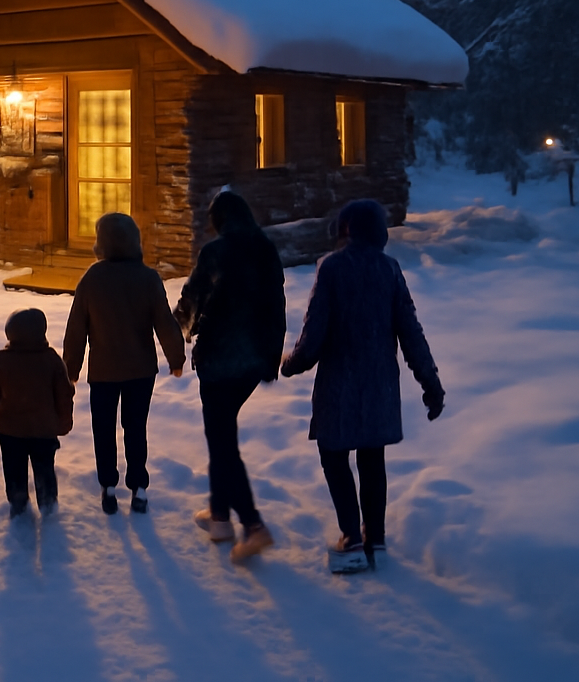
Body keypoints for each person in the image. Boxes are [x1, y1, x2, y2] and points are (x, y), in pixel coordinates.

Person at [281, 198, 446, 573]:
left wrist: (289, 365)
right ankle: (377, 538)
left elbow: (313, 338)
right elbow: (411, 332)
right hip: (379, 386)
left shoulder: (332, 269)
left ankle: (351, 538)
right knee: (372, 459)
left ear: (346, 230)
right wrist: (430, 382)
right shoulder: (389, 269)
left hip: (340, 383)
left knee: (334, 456)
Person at [175, 190, 285, 562]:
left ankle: (253, 525)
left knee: (222, 441)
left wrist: (176, 333)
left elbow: (191, 301)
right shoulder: (266, 250)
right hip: (253, 363)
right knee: (222, 434)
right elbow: (277, 308)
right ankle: (219, 516)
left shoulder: (216, 252)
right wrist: (271, 357)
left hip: (221, 362)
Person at [62, 212, 186, 515]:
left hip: (103, 371)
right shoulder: (147, 278)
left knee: (103, 429)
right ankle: (139, 486)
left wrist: (71, 368)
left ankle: (108, 485)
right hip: (140, 371)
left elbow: (76, 328)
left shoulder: (91, 279)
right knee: (135, 427)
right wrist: (176, 358)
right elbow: (165, 323)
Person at [0, 308, 76, 517]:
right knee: (45, 468)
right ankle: (48, 504)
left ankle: (18, 503)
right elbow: (64, 394)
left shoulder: (0, 361)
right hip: (44, 430)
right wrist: (63, 422)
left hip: (11, 431)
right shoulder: (51, 359)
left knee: (14, 470)